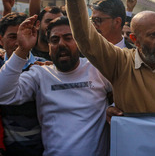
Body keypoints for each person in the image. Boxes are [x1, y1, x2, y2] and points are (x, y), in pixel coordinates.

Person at [0, 16, 112, 155]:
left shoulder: (97, 69)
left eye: (68, 38)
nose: (61, 44)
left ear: (79, 42)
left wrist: (114, 107)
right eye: (54, 40)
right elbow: (3, 94)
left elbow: (126, 91)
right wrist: (22, 50)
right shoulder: (39, 74)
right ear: (48, 47)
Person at [0, 12, 44, 156]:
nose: (19, 42)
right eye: (13, 37)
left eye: (23, 34)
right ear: (1, 40)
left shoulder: (46, 67)